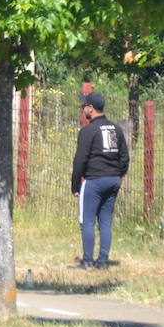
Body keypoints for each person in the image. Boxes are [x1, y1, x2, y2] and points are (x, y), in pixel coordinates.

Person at [70, 91, 129, 269]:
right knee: (105, 221)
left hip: (94, 180)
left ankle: (87, 261)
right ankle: (103, 261)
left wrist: (75, 185)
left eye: (84, 107)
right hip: (113, 180)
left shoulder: (88, 131)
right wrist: (119, 174)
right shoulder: (116, 129)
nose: (82, 110)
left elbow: (80, 160)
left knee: (87, 221)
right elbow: (124, 157)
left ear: (91, 108)